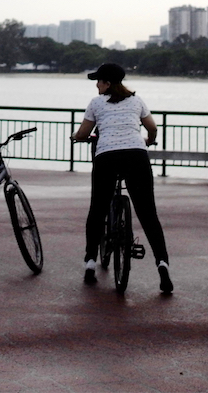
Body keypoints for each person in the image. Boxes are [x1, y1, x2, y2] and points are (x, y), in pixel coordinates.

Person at [71, 63, 173, 294]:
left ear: (107, 83)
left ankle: (89, 263)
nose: (96, 84)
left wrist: (76, 137)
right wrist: (148, 139)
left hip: (107, 157)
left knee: (98, 208)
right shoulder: (136, 101)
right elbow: (152, 127)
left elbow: (84, 133)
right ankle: (162, 264)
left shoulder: (96, 103)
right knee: (147, 213)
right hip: (136, 156)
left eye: (98, 81)